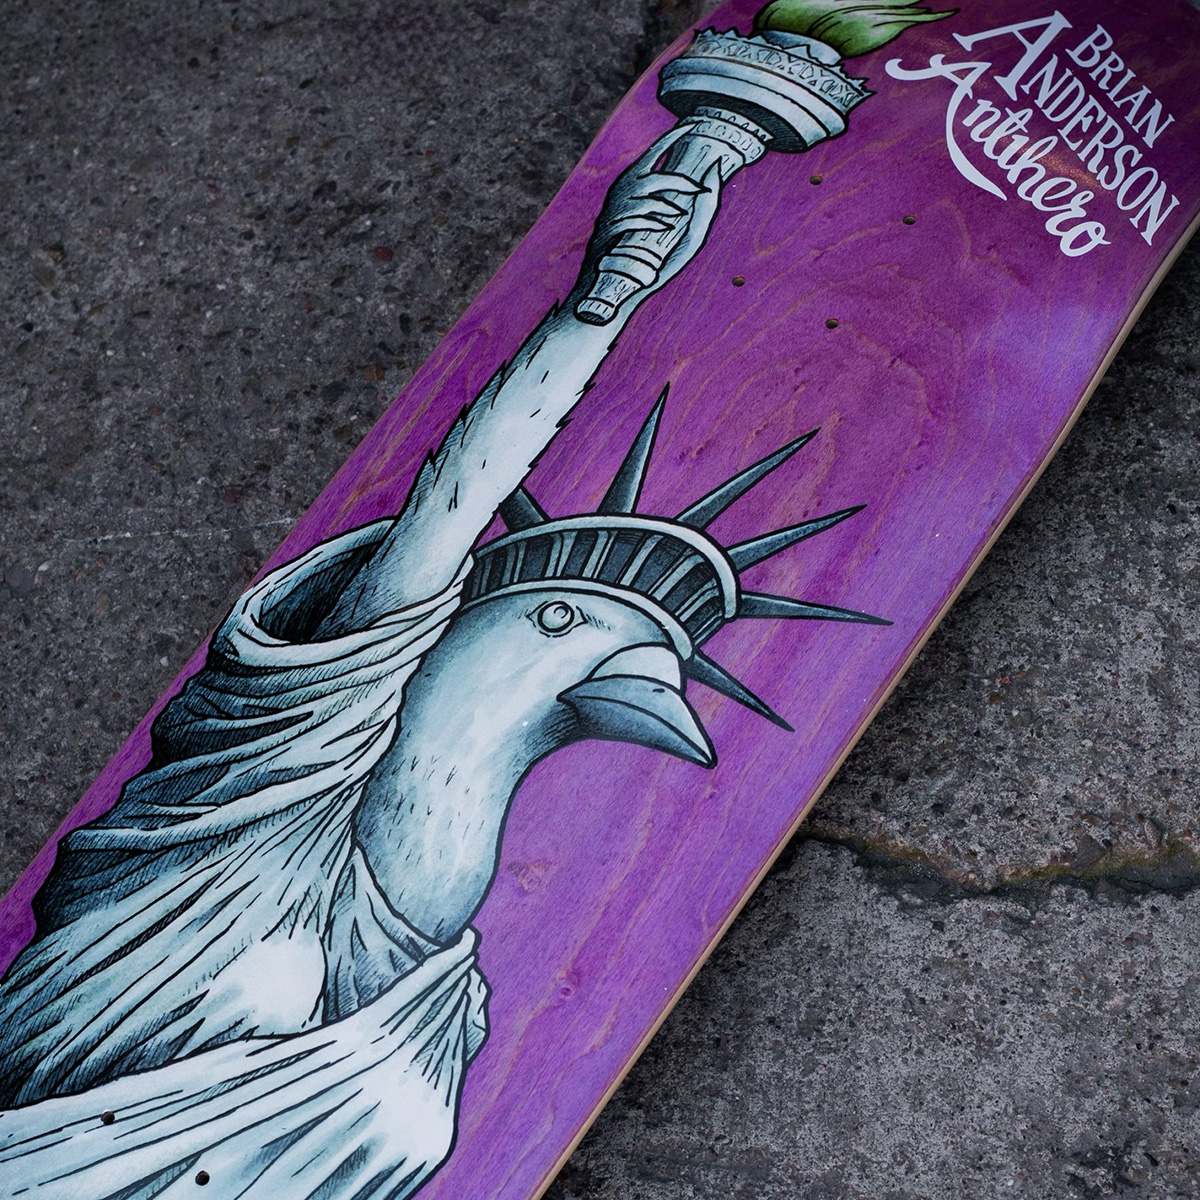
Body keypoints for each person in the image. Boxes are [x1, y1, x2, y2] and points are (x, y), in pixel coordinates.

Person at [0, 135, 723, 1200]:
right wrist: (600, 306)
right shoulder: (263, 779)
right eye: (564, 617)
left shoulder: (441, 1002)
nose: (625, 668)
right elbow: (448, 509)